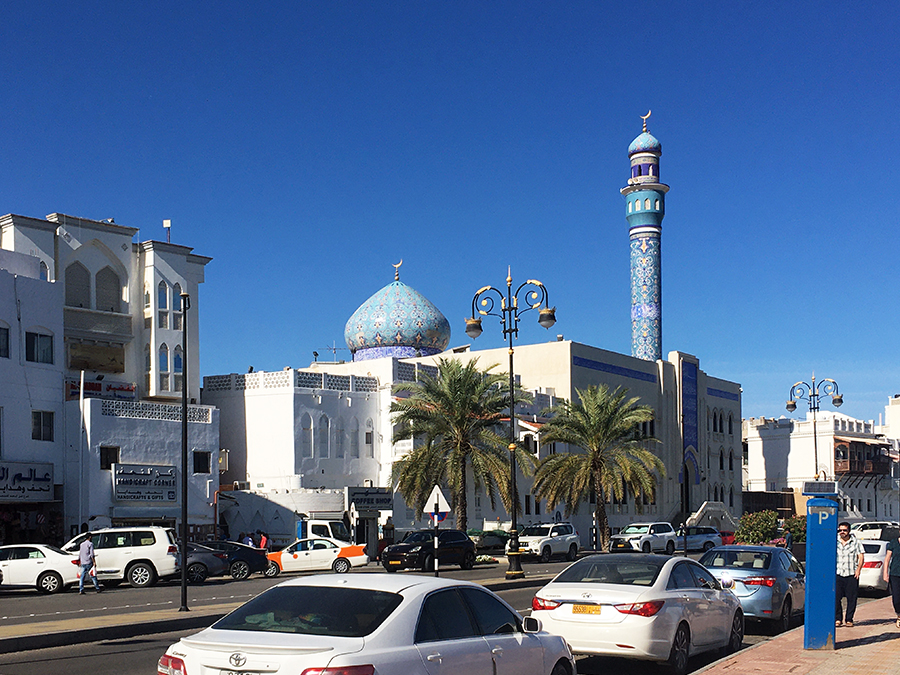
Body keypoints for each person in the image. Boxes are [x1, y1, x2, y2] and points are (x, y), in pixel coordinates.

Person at [835, 521, 864, 627]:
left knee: (852, 598)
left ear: (849, 531)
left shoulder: (856, 542)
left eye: (844, 530)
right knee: (836, 597)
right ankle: (838, 618)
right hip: (838, 573)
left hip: (851, 573)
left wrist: (858, 569)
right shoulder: (835, 542)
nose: (842, 532)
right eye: (840, 530)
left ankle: (849, 619)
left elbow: (861, 556)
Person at [883, 533, 900, 628]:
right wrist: (885, 573)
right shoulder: (893, 542)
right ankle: (899, 614)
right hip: (895, 574)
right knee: (896, 598)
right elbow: (887, 559)